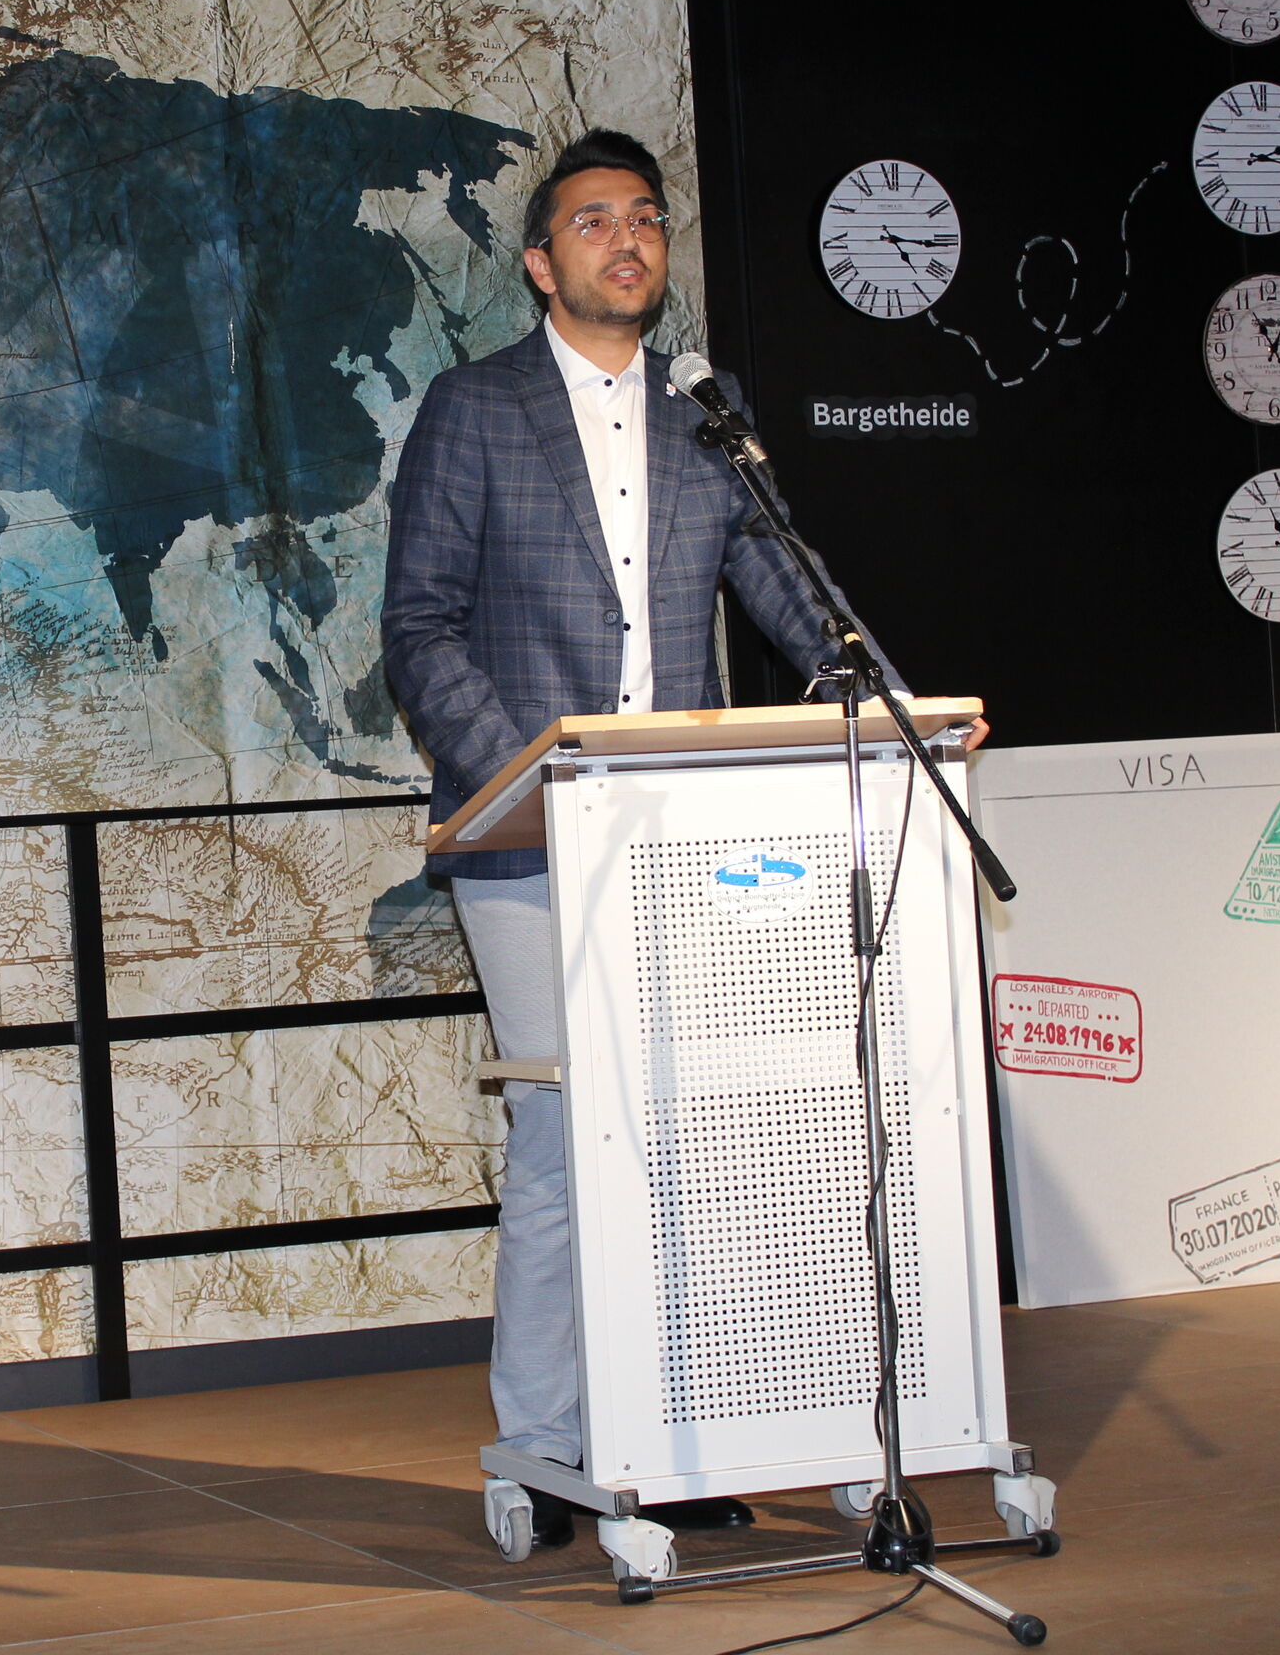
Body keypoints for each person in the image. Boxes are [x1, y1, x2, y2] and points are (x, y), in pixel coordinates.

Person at [379, 127, 889, 1552]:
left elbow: (785, 587)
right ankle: (544, 1448)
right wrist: (527, 775)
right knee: (564, 1137)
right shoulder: (474, 408)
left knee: (698, 1134)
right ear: (542, 264)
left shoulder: (705, 410)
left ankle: (687, 1427)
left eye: (649, 217)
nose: (629, 238)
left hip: (690, 843)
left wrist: (877, 694)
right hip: (530, 840)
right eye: (596, 220)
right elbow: (419, 624)